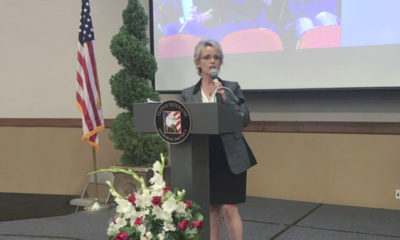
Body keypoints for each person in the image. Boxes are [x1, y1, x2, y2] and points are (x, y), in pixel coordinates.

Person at [180, 39, 257, 240]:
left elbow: (244, 118)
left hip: (230, 155)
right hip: (204, 156)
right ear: (198, 63)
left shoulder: (231, 87)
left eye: (216, 57)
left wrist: (226, 99)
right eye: (207, 57)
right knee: (212, 210)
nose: (212, 61)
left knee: (230, 209)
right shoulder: (188, 94)